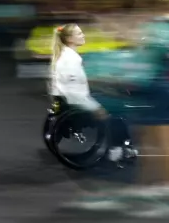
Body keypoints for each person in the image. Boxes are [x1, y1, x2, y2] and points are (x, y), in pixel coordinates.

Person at [49, 24, 135, 163]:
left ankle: (124, 146)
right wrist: (96, 108)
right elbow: (74, 93)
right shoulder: (70, 60)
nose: (83, 35)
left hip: (69, 101)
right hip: (76, 104)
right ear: (70, 39)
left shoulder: (66, 56)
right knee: (117, 108)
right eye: (79, 33)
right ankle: (118, 148)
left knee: (110, 96)